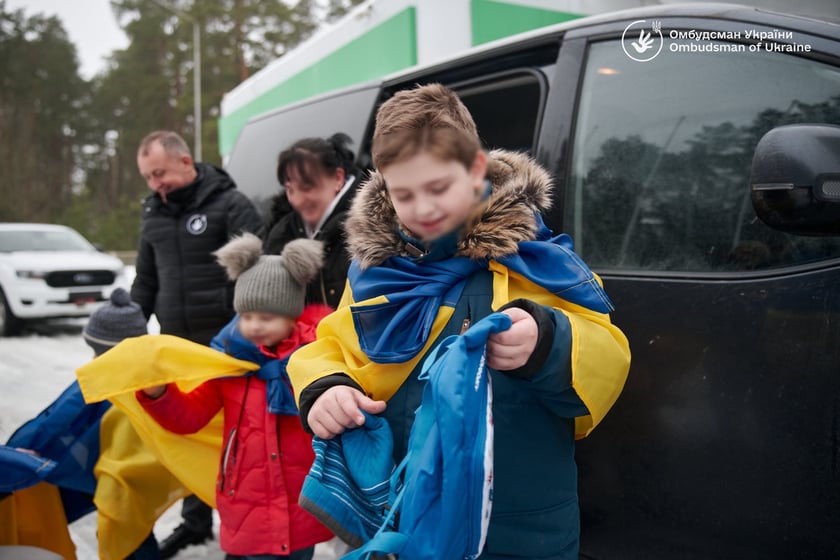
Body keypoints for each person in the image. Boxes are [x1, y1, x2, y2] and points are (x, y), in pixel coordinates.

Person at [287, 83, 632, 559]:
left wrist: (547, 341)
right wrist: (326, 388)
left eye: (438, 187)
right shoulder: (378, 272)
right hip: (410, 516)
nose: (423, 208)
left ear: (475, 169)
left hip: (524, 523)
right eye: (403, 193)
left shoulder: (539, 258)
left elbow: (609, 356)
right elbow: (332, 344)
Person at [136, 234, 334, 560]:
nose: (254, 326)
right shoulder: (229, 364)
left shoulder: (314, 359)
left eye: (266, 318)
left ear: (291, 316)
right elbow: (191, 416)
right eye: (247, 316)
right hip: (247, 499)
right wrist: (159, 394)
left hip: (301, 499)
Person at [131, 130, 265, 558]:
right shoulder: (153, 214)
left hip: (227, 350)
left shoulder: (230, 203)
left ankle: (242, 527)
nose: (155, 184)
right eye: (148, 177)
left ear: (185, 162)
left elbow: (261, 270)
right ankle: (195, 522)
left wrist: (251, 332)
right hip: (177, 348)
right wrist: (130, 333)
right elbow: (146, 280)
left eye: (159, 173)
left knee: (235, 444)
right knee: (187, 435)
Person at [1, 288, 166, 560]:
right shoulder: (154, 380)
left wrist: (23, 451)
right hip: (138, 476)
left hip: (112, 477)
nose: (93, 359)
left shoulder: (99, 383)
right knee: (135, 531)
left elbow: (56, 420)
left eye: (97, 352)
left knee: (122, 535)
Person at [263, 132, 362, 309]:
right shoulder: (282, 234)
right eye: (290, 190)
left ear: (338, 178)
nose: (297, 200)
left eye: (306, 188)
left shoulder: (370, 226)